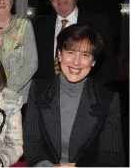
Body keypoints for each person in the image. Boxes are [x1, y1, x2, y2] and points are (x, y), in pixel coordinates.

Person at [23, 25, 125, 167]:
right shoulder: (38, 89)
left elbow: (113, 157)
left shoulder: (108, 99)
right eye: (70, 52)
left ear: (93, 61)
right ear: (59, 54)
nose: (76, 62)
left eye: (85, 55)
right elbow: (31, 141)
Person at [33, 0, 116, 86]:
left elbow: (108, 65)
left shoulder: (97, 23)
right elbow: (37, 67)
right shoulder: (40, 27)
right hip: (48, 97)